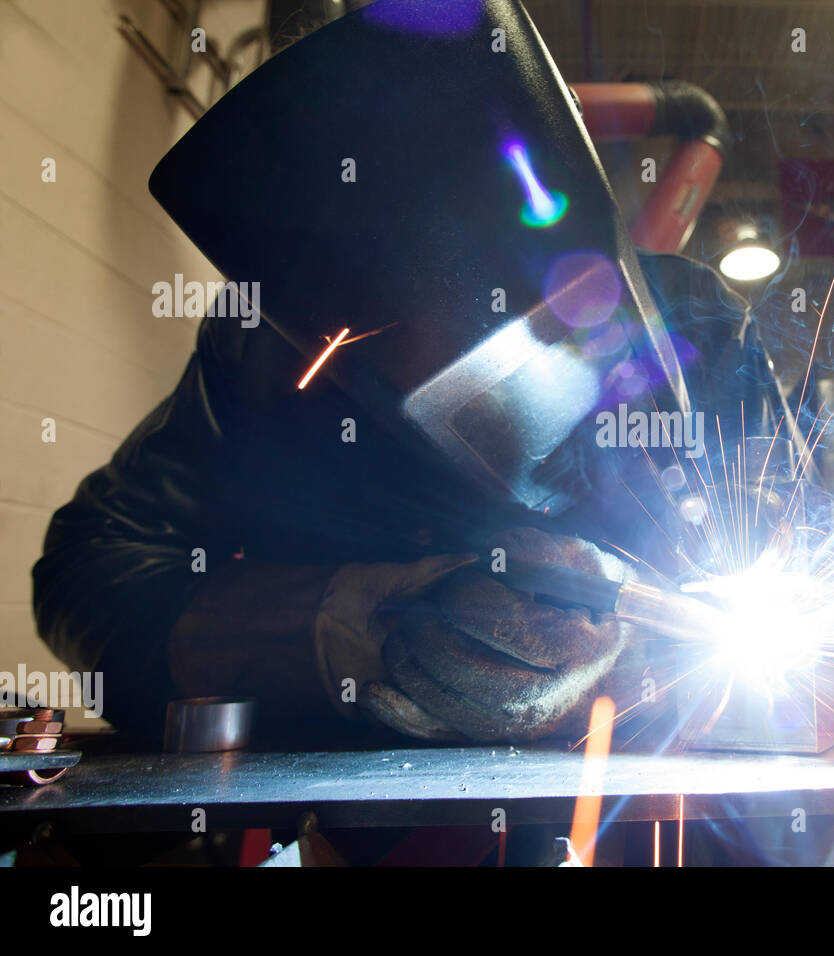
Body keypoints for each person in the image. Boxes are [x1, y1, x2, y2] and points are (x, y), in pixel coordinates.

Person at [31, 0, 781, 747]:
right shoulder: (271, 354)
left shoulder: (701, 326)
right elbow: (89, 569)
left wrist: (662, 639)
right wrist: (349, 627)